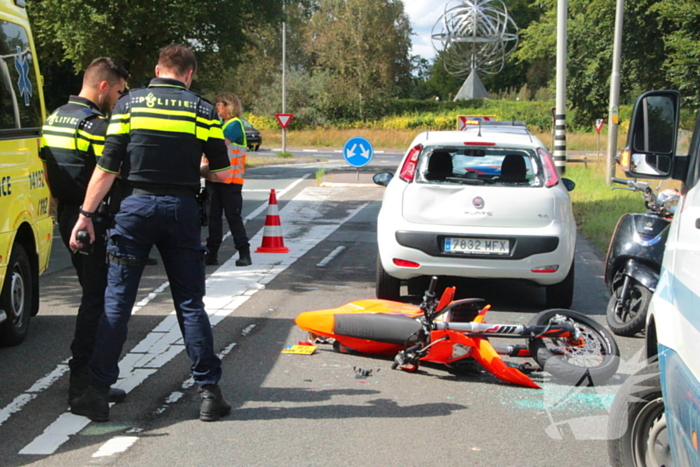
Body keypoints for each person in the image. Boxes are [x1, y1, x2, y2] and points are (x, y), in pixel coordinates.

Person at [68, 44, 232, 423]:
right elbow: (223, 172)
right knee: (190, 303)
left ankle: (96, 394)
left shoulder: (129, 105)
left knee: (117, 302)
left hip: (134, 210)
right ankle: (209, 393)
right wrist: (195, 170)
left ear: (158, 69)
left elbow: (106, 168)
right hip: (181, 211)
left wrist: (85, 215)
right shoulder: (203, 110)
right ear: (189, 74)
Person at [39, 57, 129, 405]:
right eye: (119, 91)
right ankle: (85, 383)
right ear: (103, 85)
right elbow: (107, 174)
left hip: (67, 216)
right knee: (98, 301)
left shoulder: (55, 117)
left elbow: (48, 168)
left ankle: (89, 378)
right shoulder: (93, 125)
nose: (120, 98)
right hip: (91, 220)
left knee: (94, 297)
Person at [203, 92, 251, 267]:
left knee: (232, 217)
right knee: (214, 217)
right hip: (215, 179)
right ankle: (211, 253)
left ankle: (244, 252)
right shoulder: (221, 125)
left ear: (229, 106)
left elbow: (218, 145)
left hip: (230, 181)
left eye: (219, 104)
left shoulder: (234, 125)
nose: (217, 108)